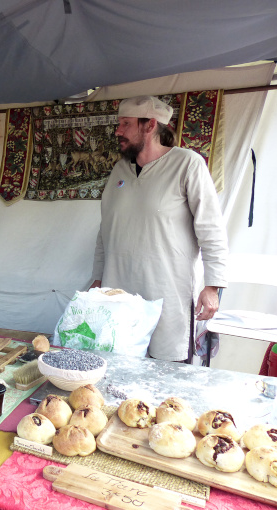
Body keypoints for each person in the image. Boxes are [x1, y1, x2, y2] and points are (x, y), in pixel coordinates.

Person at [90, 96, 228, 362]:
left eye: (126, 124)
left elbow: (211, 228)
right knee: (117, 369)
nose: (118, 131)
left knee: (167, 374)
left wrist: (212, 286)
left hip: (167, 295)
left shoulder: (187, 164)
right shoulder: (119, 170)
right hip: (118, 297)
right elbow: (105, 231)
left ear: (150, 125)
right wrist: (97, 279)